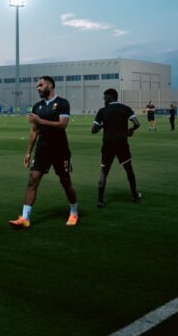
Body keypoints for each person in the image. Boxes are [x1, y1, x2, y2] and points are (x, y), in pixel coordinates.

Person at [8, 76, 79, 229]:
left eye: (40, 85)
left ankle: (74, 212)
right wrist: (28, 153)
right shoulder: (37, 107)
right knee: (32, 180)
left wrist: (41, 121)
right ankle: (25, 218)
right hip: (42, 150)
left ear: (50, 85)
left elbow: (62, 125)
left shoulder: (62, 103)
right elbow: (34, 131)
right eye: (37, 86)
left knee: (65, 182)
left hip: (60, 150)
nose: (38, 88)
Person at [92, 89, 143, 207]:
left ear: (109, 98)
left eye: (105, 98)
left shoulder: (102, 111)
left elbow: (93, 130)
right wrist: (130, 130)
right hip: (122, 143)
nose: (104, 100)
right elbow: (137, 123)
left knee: (104, 171)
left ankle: (100, 200)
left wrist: (102, 126)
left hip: (108, 144)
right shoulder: (125, 108)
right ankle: (135, 195)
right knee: (129, 170)